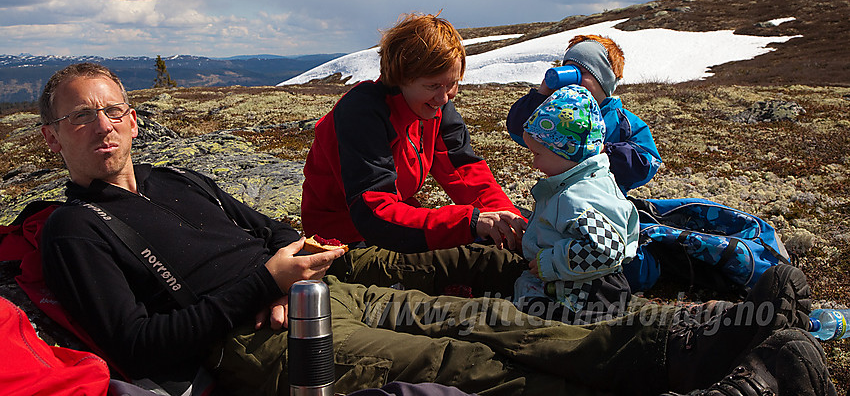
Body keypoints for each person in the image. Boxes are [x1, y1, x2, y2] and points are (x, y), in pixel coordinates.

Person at [35, 63, 835, 396]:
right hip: (254, 336)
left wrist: (301, 259)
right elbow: (137, 344)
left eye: (112, 109)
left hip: (318, 285)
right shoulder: (77, 230)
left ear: (135, 118)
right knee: (465, 363)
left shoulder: (179, 177)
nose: (101, 126)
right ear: (53, 138)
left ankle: (716, 335)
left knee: (499, 318)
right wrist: (264, 283)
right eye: (80, 117)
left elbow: (269, 225)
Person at [301, 13, 527, 296]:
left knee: (507, 246)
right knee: (489, 265)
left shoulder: (435, 108)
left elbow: (466, 173)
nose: (444, 98)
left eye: (452, 84)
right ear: (401, 77)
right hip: (345, 247)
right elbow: (374, 213)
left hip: (397, 229)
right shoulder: (363, 113)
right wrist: (469, 222)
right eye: (433, 86)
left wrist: (511, 223)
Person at [512, 85, 638, 323]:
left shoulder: (578, 197)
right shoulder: (585, 182)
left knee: (529, 319)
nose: (534, 164)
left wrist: (550, 262)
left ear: (564, 153)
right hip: (581, 285)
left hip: (583, 297)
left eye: (537, 154)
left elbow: (606, 250)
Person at [506, 34, 662, 193]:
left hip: (605, 198)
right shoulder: (557, 110)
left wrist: (602, 151)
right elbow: (518, 131)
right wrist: (541, 96)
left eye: (581, 72)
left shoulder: (623, 122)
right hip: (559, 195)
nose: (572, 79)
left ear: (604, 79)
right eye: (567, 70)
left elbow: (648, 163)